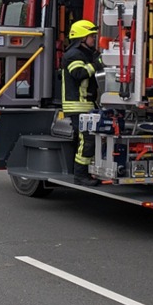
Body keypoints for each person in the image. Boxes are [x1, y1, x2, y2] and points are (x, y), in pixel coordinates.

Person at [62, 20, 103, 186]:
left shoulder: (85, 53)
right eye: (91, 36)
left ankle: (87, 173)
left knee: (89, 140)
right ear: (81, 38)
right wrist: (97, 64)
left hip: (87, 105)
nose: (93, 39)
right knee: (86, 140)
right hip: (77, 106)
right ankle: (80, 176)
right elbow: (79, 73)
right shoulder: (72, 55)